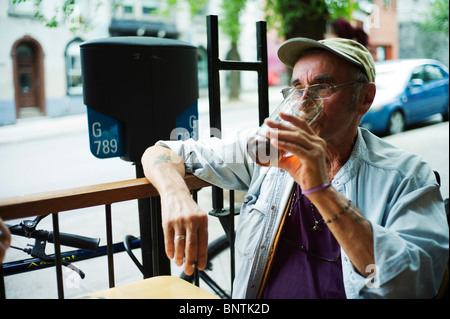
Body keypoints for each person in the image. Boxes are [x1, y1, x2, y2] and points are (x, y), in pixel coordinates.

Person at [141, 37, 449, 298]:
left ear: (364, 99)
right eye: (297, 88)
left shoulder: (406, 175)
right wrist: (175, 196)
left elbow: (414, 284)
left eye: (322, 88)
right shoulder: (269, 149)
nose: (303, 103)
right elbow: (162, 151)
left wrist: (321, 190)